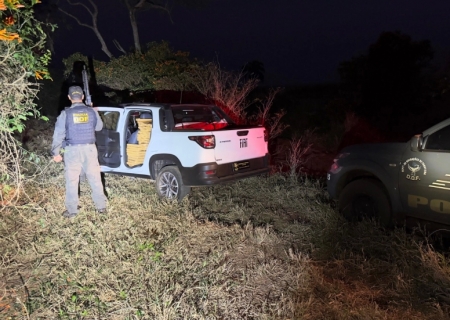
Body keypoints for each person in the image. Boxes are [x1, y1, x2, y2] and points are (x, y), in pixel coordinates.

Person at [51, 86, 108, 218]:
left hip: (72, 150)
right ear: (82, 97)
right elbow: (99, 127)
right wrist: (92, 110)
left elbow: (58, 134)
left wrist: (56, 153)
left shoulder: (65, 114)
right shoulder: (91, 111)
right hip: (90, 149)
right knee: (95, 178)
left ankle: (72, 211)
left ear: (69, 98)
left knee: (72, 180)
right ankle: (101, 207)